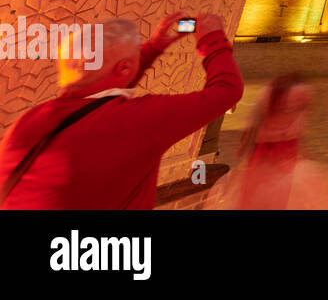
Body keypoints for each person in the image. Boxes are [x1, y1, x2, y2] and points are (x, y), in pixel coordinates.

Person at [0, 12, 243, 209]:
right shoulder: (139, 121)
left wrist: (153, 48)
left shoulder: (33, 119)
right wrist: (212, 39)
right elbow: (226, 91)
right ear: (124, 68)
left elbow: (106, 88)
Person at [206, 73, 328, 209]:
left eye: (300, 109)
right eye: (285, 110)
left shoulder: (316, 178)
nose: (296, 121)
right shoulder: (227, 185)